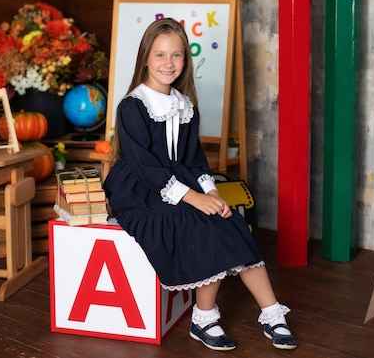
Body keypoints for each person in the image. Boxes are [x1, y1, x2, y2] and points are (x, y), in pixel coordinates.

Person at [103, 18, 297, 351]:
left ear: (185, 61)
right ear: (145, 58)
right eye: (160, 55)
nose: (168, 63)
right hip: (140, 188)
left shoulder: (185, 104)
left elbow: (194, 160)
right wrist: (192, 197)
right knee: (200, 224)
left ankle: (271, 312)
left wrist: (211, 192)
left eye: (176, 56)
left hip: (181, 180)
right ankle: (204, 317)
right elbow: (145, 167)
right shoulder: (132, 106)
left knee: (228, 219)